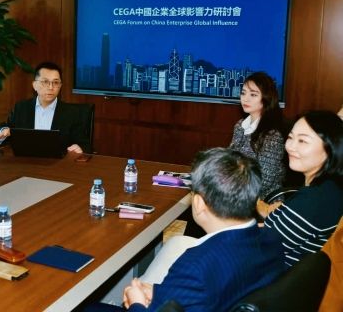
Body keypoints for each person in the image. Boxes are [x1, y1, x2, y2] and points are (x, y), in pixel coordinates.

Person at [89, 148, 285, 312]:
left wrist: (137, 303)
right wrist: (158, 292)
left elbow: (199, 285)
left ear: (198, 203)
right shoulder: (271, 238)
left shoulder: (195, 266)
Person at [262, 110, 343, 267]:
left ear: (330, 148)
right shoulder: (331, 188)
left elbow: (261, 251)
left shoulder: (314, 201)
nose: (290, 146)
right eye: (290, 137)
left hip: (271, 276)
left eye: (302, 141)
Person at [0, 62, 91, 153]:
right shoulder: (21, 108)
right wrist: (4, 131)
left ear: (60, 86)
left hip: (59, 164)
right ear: (34, 85)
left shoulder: (72, 113)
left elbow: (85, 145)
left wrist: (80, 148)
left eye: (55, 82)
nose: (51, 87)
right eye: (45, 82)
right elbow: (4, 128)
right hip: (25, 162)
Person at [229, 71, 286, 200]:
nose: (245, 98)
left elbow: (264, 181)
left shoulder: (272, 135)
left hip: (262, 200)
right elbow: (229, 160)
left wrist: (229, 187)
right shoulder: (240, 126)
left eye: (253, 94)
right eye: (243, 93)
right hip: (236, 192)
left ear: (266, 98)